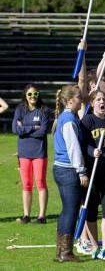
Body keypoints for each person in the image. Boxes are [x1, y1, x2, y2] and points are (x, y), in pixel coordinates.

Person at [80, 90, 105, 261]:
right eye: (98, 100)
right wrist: (92, 151)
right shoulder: (87, 120)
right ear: (92, 103)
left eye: (104, 99)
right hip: (92, 171)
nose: (102, 102)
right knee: (91, 210)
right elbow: (83, 144)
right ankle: (95, 246)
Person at [52, 84, 89, 263]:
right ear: (70, 100)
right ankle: (65, 252)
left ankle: (61, 251)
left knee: (67, 210)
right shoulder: (68, 120)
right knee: (71, 210)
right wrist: (81, 171)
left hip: (61, 168)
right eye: (79, 97)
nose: (82, 100)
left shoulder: (66, 117)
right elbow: (73, 147)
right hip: (68, 169)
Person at [12, 84, 49, 224]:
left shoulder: (44, 110)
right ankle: (26, 215)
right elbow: (15, 130)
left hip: (39, 152)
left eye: (35, 94)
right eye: (30, 94)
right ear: (25, 96)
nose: (33, 97)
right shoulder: (20, 110)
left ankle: (41, 216)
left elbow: (43, 132)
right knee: (26, 184)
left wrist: (24, 129)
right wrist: (33, 127)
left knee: (40, 182)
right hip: (23, 153)